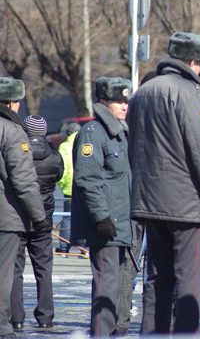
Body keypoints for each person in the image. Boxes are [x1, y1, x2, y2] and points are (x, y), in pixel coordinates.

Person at [128, 32, 200, 334]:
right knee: (190, 278)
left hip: (149, 201)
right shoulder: (191, 92)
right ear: (194, 61)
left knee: (156, 278)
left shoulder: (142, 93)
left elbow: (135, 146)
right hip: (186, 204)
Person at [71, 77, 136, 336]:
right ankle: (100, 334)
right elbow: (87, 179)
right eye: (118, 101)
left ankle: (110, 332)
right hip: (107, 224)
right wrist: (101, 217)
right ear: (104, 102)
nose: (124, 106)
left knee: (117, 286)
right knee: (105, 286)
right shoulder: (94, 132)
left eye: (126, 101)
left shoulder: (121, 132)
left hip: (122, 223)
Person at [0, 77, 47, 339]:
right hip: (6, 216)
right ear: (13, 102)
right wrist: (38, 216)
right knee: (4, 276)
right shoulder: (13, 131)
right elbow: (24, 180)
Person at [10, 115, 64, 330]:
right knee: (44, 269)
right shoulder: (55, 157)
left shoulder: (17, 152)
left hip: (20, 217)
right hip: (45, 218)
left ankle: (17, 317)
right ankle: (45, 317)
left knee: (15, 269)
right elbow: (58, 177)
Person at [56, 123, 81, 256]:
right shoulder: (86, 142)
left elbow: (62, 167)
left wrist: (62, 183)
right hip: (84, 187)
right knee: (85, 216)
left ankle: (64, 248)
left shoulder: (64, 146)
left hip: (69, 187)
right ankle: (86, 249)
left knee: (67, 217)